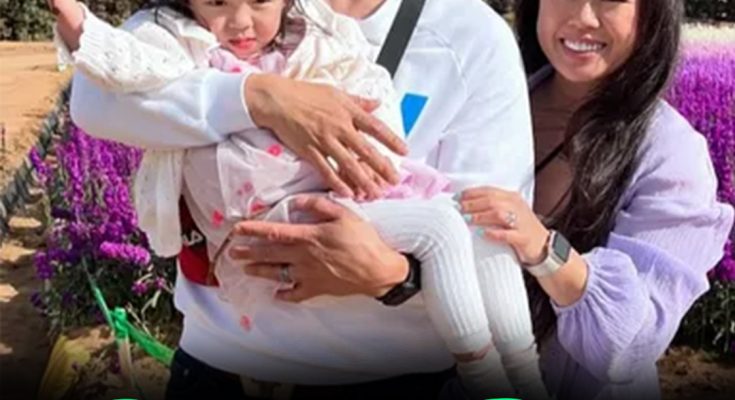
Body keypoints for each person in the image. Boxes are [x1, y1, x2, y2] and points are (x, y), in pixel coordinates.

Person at [233, 0, 735, 399]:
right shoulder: (490, 93)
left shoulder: (670, 154)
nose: (582, 16)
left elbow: (631, 343)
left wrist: (544, 250)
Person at [52, 0, 546, 398]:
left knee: (465, 228)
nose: (240, 20)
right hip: (223, 366)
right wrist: (259, 98)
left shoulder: (469, 36)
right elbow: (97, 101)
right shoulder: (183, 23)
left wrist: (391, 277)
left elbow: (488, 223)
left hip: (392, 378)